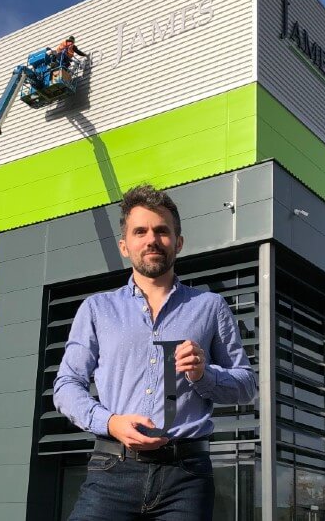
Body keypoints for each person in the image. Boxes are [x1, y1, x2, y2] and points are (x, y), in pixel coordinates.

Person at [54, 184, 258, 520]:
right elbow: (66, 385)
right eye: (141, 231)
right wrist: (111, 422)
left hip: (186, 477)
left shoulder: (210, 307)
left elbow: (246, 385)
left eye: (162, 231)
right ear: (125, 245)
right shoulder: (96, 309)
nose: (152, 239)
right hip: (111, 472)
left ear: (178, 242)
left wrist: (204, 374)